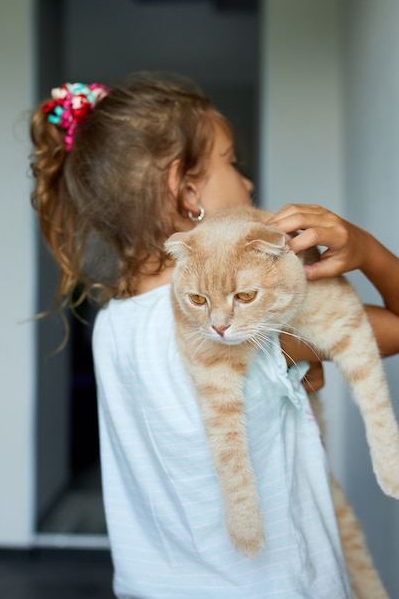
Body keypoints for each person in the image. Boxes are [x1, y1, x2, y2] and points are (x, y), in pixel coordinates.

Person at [29, 75, 399, 599]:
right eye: (232, 160)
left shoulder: (112, 324)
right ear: (188, 191)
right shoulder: (248, 321)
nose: (247, 184)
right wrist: (367, 249)